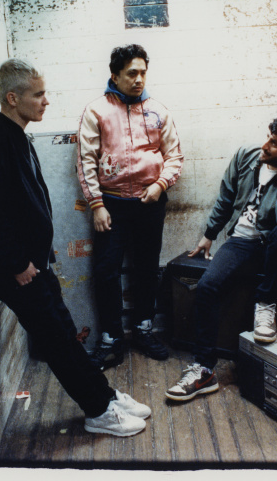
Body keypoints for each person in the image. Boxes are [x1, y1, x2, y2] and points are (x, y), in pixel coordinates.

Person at [0, 59, 151, 436]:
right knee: (57, 343)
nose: (46, 101)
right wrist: (18, 262)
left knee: (67, 336)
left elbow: (25, 207)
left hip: (36, 264)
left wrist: (40, 253)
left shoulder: (18, 137)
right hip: (19, 271)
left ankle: (105, 396)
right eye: (38, 94)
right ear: (12, 98)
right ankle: (98, 412)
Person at [165, 114, 277, 402]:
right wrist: (209, 233)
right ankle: (204, 370)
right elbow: (226, 197)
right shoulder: (246, 156)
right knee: (208, 286)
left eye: (275, 143)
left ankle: (266, 305)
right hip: (242, 243)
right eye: (268, 137)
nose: (265, 146)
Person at [77, 44, 184, 370]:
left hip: (151, 202)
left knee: (148, 268)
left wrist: (160, 185)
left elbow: (174, 156)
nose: (139, 79)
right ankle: (111, 338)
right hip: (111, 204)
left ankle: (143, 329)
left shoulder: (158, 111)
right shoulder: (96, 111)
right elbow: (86, 161)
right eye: (131, 73)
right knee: (106, 270)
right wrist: (97, 205)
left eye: (143, 73)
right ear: (115, 75)